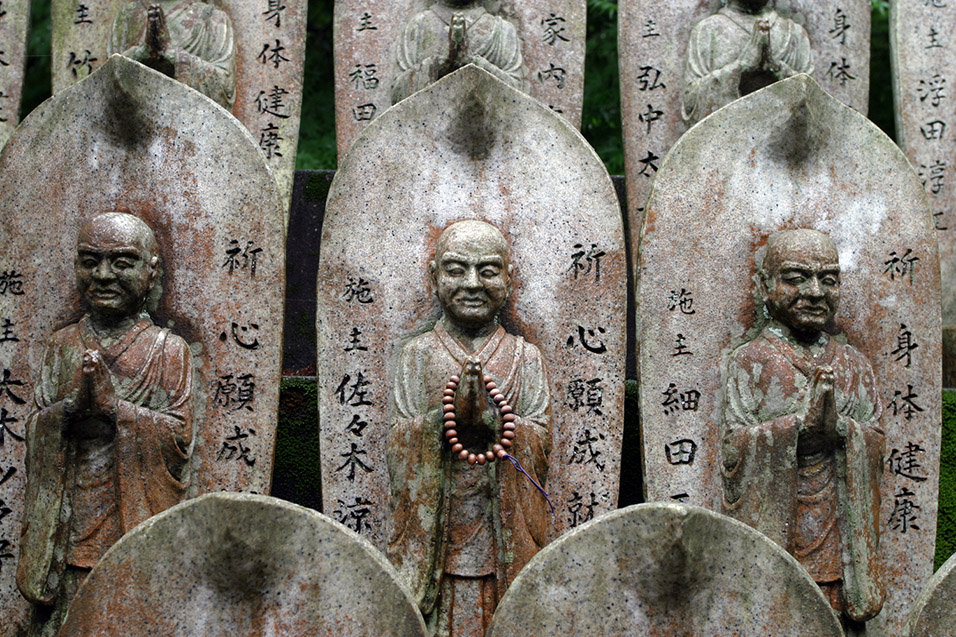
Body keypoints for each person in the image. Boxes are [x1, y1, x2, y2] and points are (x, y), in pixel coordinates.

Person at [17, 213, 194, 636]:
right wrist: (70, 410)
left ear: (152, 271)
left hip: (131, 515)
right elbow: (36, 429)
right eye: (89, 261)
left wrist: (115, 408)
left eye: (121, 262)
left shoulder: (168, 351)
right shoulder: (62, 346)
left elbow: (179, 437)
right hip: (66, 526)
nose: (102, 275)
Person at [387, 220, 550, 636]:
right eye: (456, 270)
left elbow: (539, 439)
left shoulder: (524, 357)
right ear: (434, 277)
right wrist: (441, 425)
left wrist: (498, 424)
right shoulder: (416, 355)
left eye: (489, 270)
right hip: (435, 538)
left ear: (509, 279)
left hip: (504, 533)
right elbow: (398, 443)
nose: (473, 283)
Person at [721, 229, 885, 630]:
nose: (815, 292)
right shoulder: (751, 361)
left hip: (840, 535)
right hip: (782, 527)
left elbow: (876, 441)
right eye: (796, 278)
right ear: (765, 286)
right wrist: (797, 429)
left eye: (828, 280)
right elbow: (732, 450)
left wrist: (842, 431)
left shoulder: (853, 364)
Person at [682, 0, 813, 125]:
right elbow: (691, 103)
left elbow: (815, 104)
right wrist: (741, 68)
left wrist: (778, 71)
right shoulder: (708, 30)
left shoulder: (794, 33)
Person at [390, 0, 527, 104]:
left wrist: (476, 65)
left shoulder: (502, 29)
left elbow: (516, 96)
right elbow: (398, 95)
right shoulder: (419, 25)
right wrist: (437, 65)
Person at [108, 0, 236, 109]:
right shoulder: (127, 17)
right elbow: (107, 83)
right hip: (136, 121)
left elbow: (225, 87)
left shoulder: (212, 18)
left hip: (191, 122)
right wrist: (141, 54)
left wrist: (172, 57)